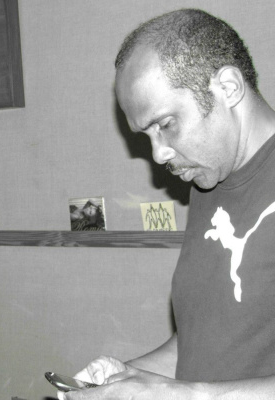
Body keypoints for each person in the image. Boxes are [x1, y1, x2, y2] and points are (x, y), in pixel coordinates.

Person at [59, 8, 275, 399]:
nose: (158, 154)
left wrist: (187, 395)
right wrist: (128, 378)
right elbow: (205, 342)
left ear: (228, 87)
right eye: (146, 135)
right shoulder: (208, 182)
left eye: (166, 125)